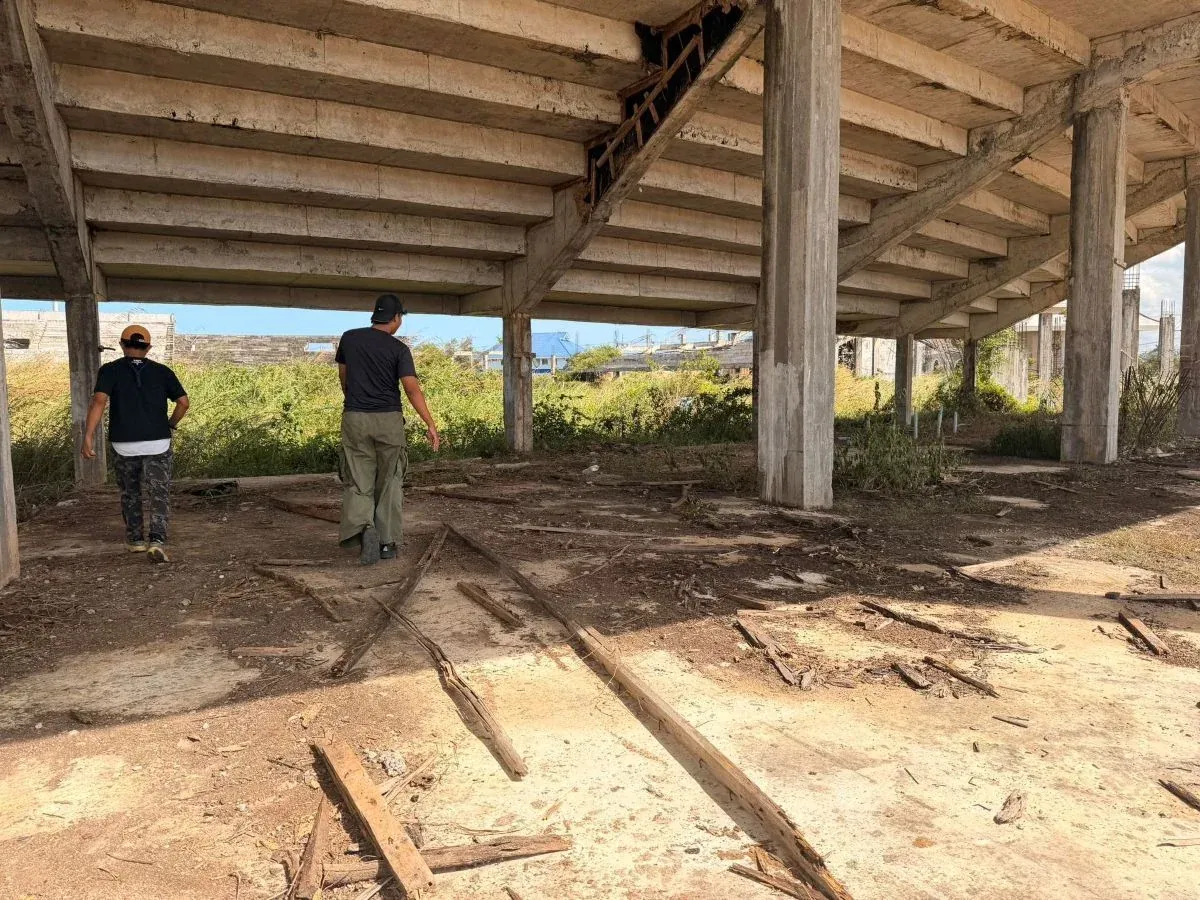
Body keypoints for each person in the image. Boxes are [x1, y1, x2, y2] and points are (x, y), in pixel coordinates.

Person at [336, 294, 440, 565]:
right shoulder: (399, 349)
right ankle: (386, 543)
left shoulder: (349, 338)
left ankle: (363, 528)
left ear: (375, 315)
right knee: (391, 479)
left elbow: (343, 376)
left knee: (359, 479)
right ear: (396, 318)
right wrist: (429, 423)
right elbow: (410, 388)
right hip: (388, 420)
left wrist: (354, 399)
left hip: (356, 417)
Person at [82, 325, 189, 563]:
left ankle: (136, 540)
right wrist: (170, 424)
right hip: (159, 443)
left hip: (124, 444)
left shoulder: (109, 370)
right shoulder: (163, 372)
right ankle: (157, 540)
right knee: (159, 493)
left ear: (122, 345)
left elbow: (99, 401)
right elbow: (183, 402)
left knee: (130, 492)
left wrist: (88, 435)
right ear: (148, 348)